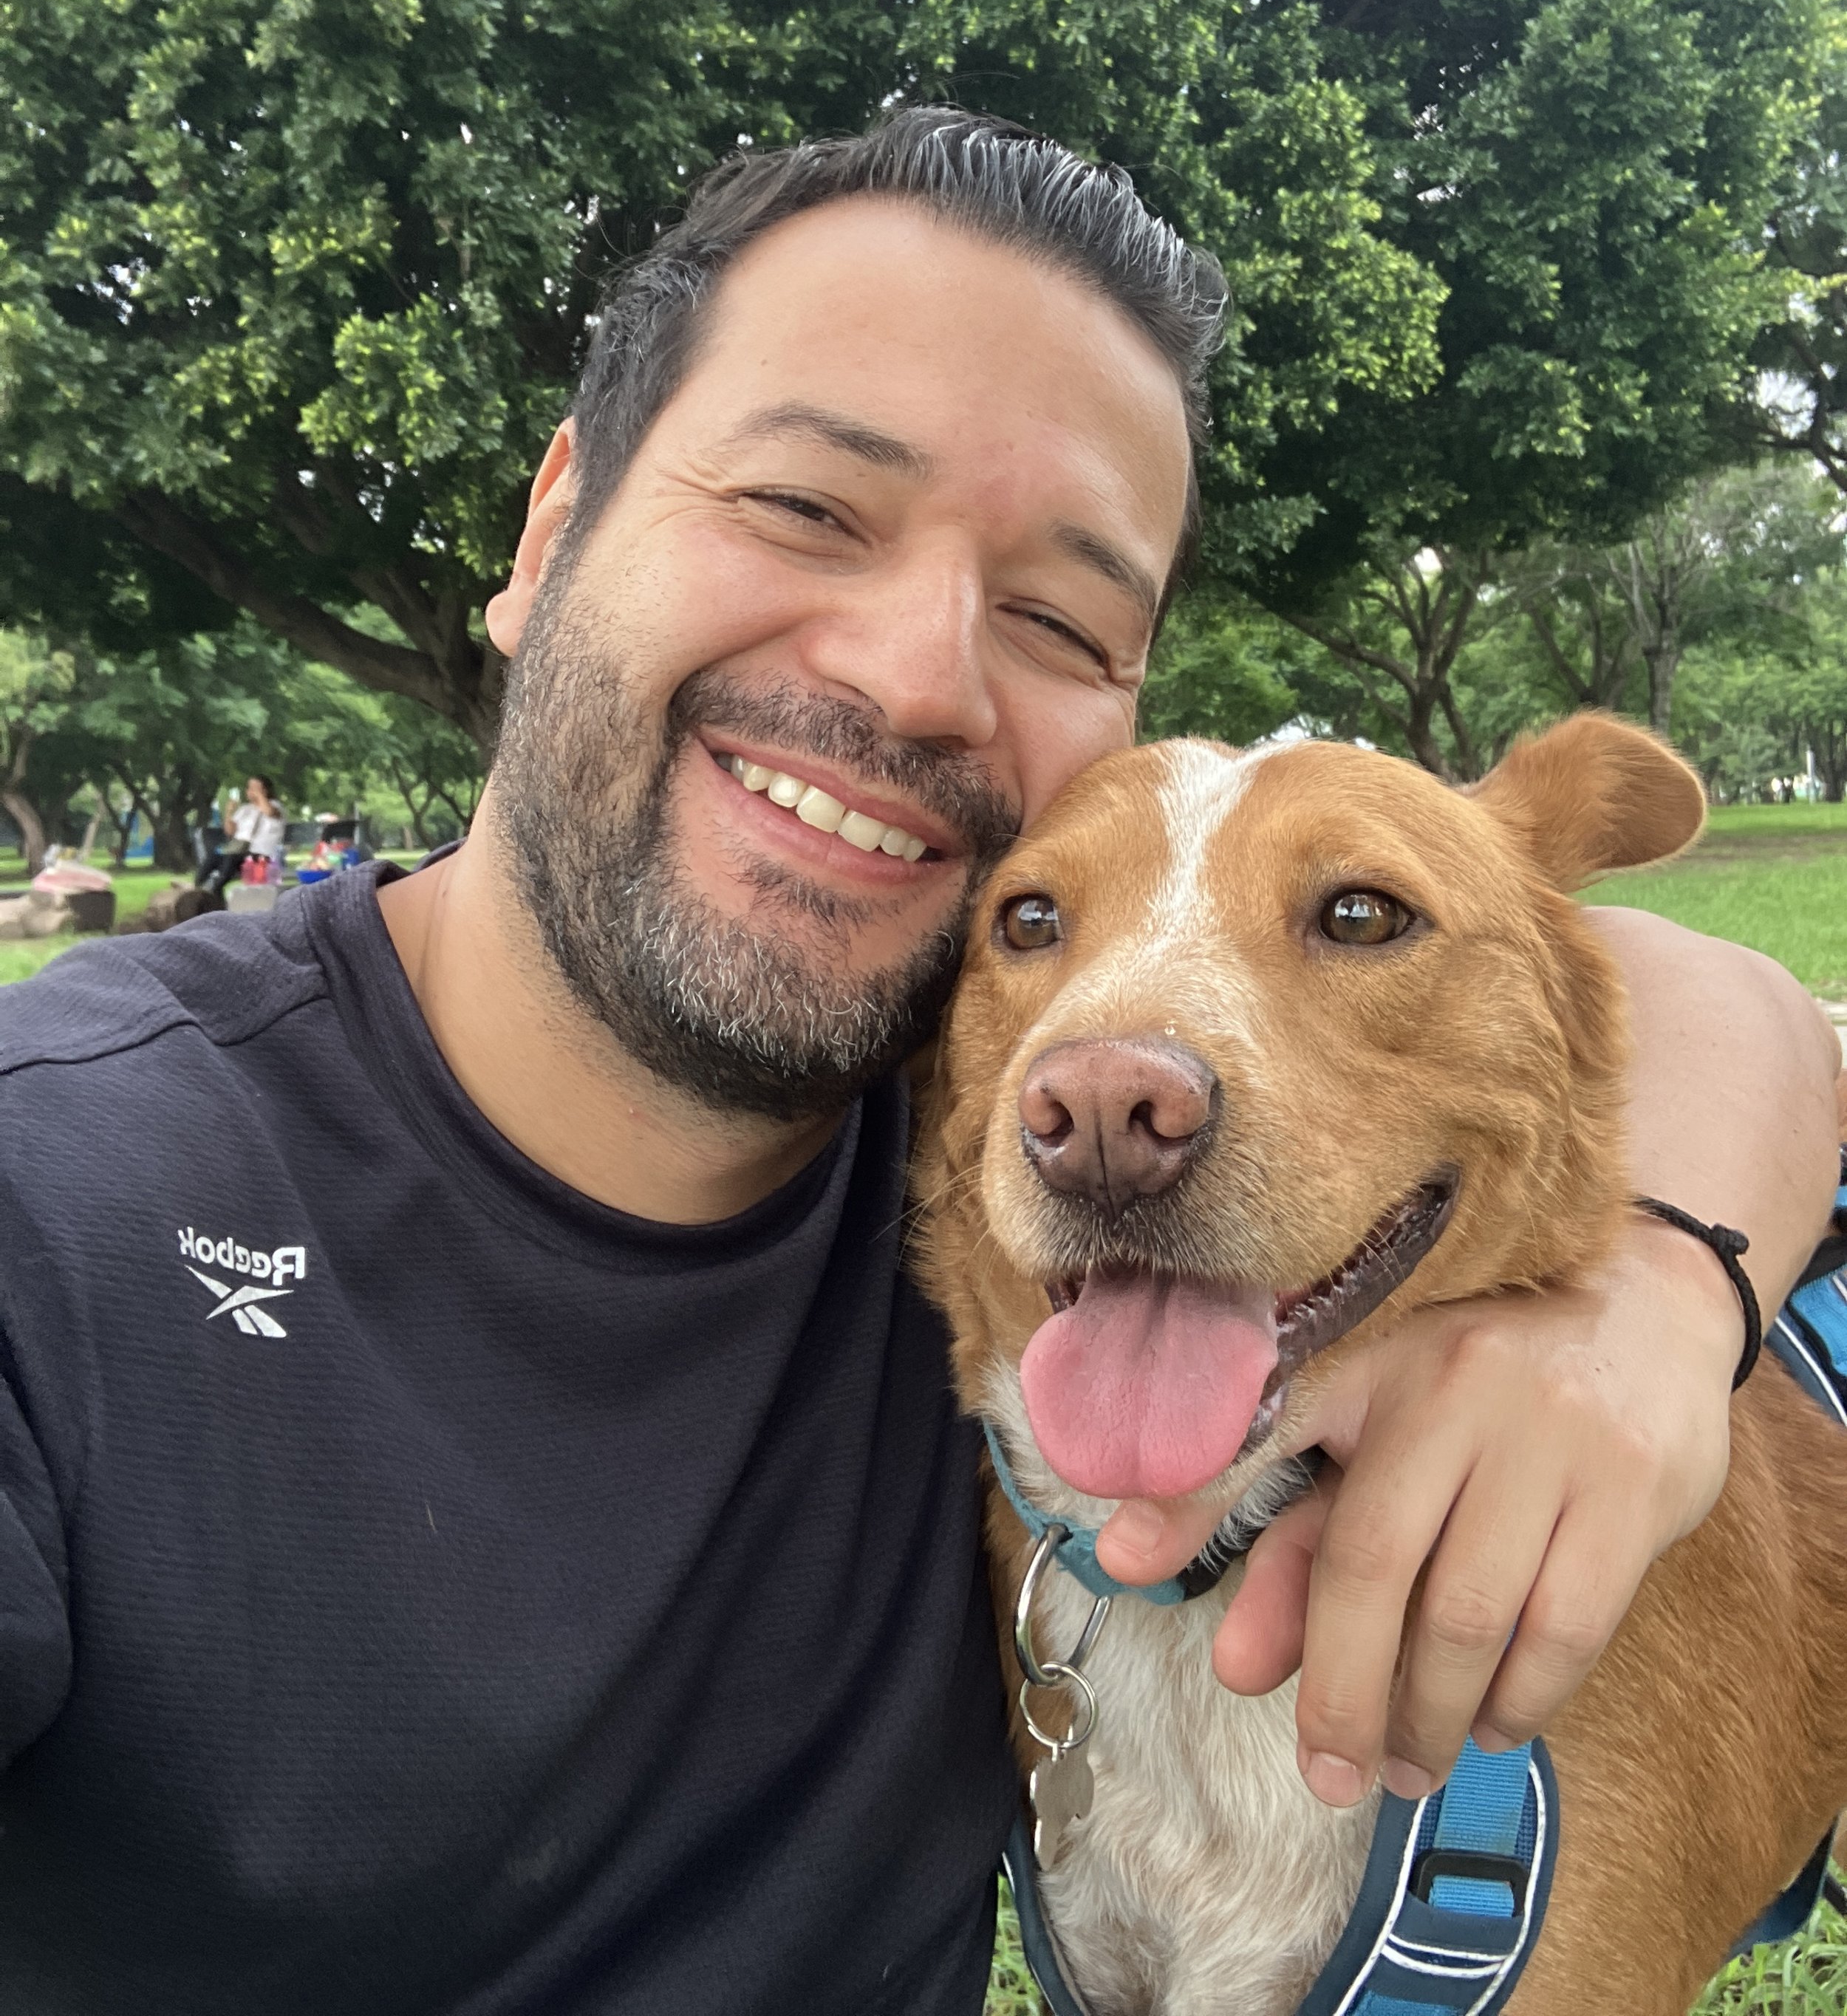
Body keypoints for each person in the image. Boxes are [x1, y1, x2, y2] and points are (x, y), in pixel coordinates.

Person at [0, 112, 1834, 2014]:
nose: (915, 676)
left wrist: (1648, 1300)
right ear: (550, 531)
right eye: (805, 505)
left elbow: (1715, 1004)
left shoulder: (929, 1104)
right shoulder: (58, 1193)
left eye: (1057, 615)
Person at [196, 773, 287, 892]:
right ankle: (195, 889)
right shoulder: (245, 809)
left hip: (262, 855)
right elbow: (230, 832)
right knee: (214, 857)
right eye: (249, 788)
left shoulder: (275, 807)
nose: (250, 791)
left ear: (265, 791)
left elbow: (269, 812)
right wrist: (229, 812)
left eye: (255, 788)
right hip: (240, 853)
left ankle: (214, 890)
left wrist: (260, 796)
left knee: (231, 859)